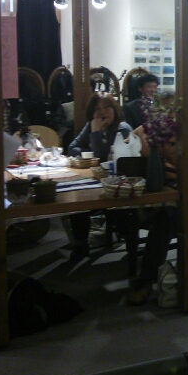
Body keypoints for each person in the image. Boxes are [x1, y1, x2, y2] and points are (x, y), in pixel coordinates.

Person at [128, 93, 188, 305]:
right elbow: (132, 144)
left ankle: (146, 278)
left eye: (172, 109)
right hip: (158, 192)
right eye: (163, 109)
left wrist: (169, 170)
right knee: (133, 209)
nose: (168, 114)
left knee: (166, 217)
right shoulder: (152, 132)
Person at [66, 94, 132, 261]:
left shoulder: (122, 129)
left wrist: (95, 135)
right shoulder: (91, 124)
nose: (102, 112)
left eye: (106, 107)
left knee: (83, 198)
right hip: (95, 179)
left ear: (115, 110)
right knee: (77, 198)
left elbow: (103, 158)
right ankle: (81, 244)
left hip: (118, 183)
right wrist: (88, 153)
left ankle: (121, 235)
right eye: (97, 109)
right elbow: (72, 147)